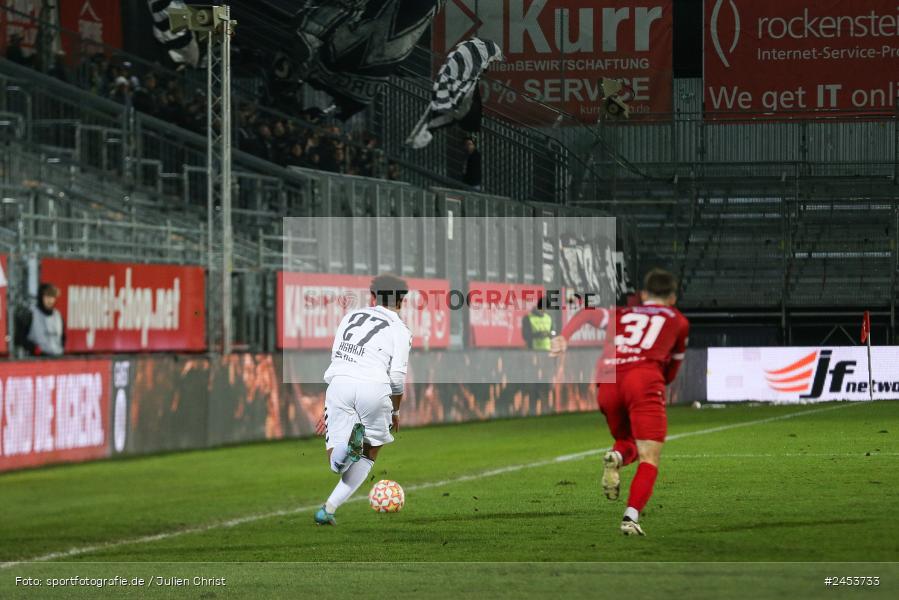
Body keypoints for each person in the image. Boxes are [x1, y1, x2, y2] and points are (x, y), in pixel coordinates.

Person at [550, 268, 689, 536]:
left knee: (627, 442)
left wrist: (564, 337)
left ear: (643, 295)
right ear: (672, 298)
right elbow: (671, 371)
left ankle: (615, 457)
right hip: (643, 380)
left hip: (608, 380)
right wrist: (657, 383)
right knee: (649, 456)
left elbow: (588, 313)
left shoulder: (622, 313)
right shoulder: (678, 321)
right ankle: (630, 517)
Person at [314, 274, 412, 525]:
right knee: (369, 453)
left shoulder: (351, 317)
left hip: (339, 384)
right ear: (402, 300)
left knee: (336, 464)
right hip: (374, 388)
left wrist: (329, 407)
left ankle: (329, 506)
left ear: (373, 297)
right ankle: (329, 507)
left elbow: (338, 357)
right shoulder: (400, 330)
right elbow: (398, 378)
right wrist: (395, 412)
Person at [17, 283, 65, 357]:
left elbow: (63, 338)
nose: (50, 300)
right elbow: (20, 338)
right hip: (37, 360)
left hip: (57, 358)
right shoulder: (31, 313)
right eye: (47, 296)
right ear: (41, 297)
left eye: (52, 297)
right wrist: (35, 350)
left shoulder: (58, 316)